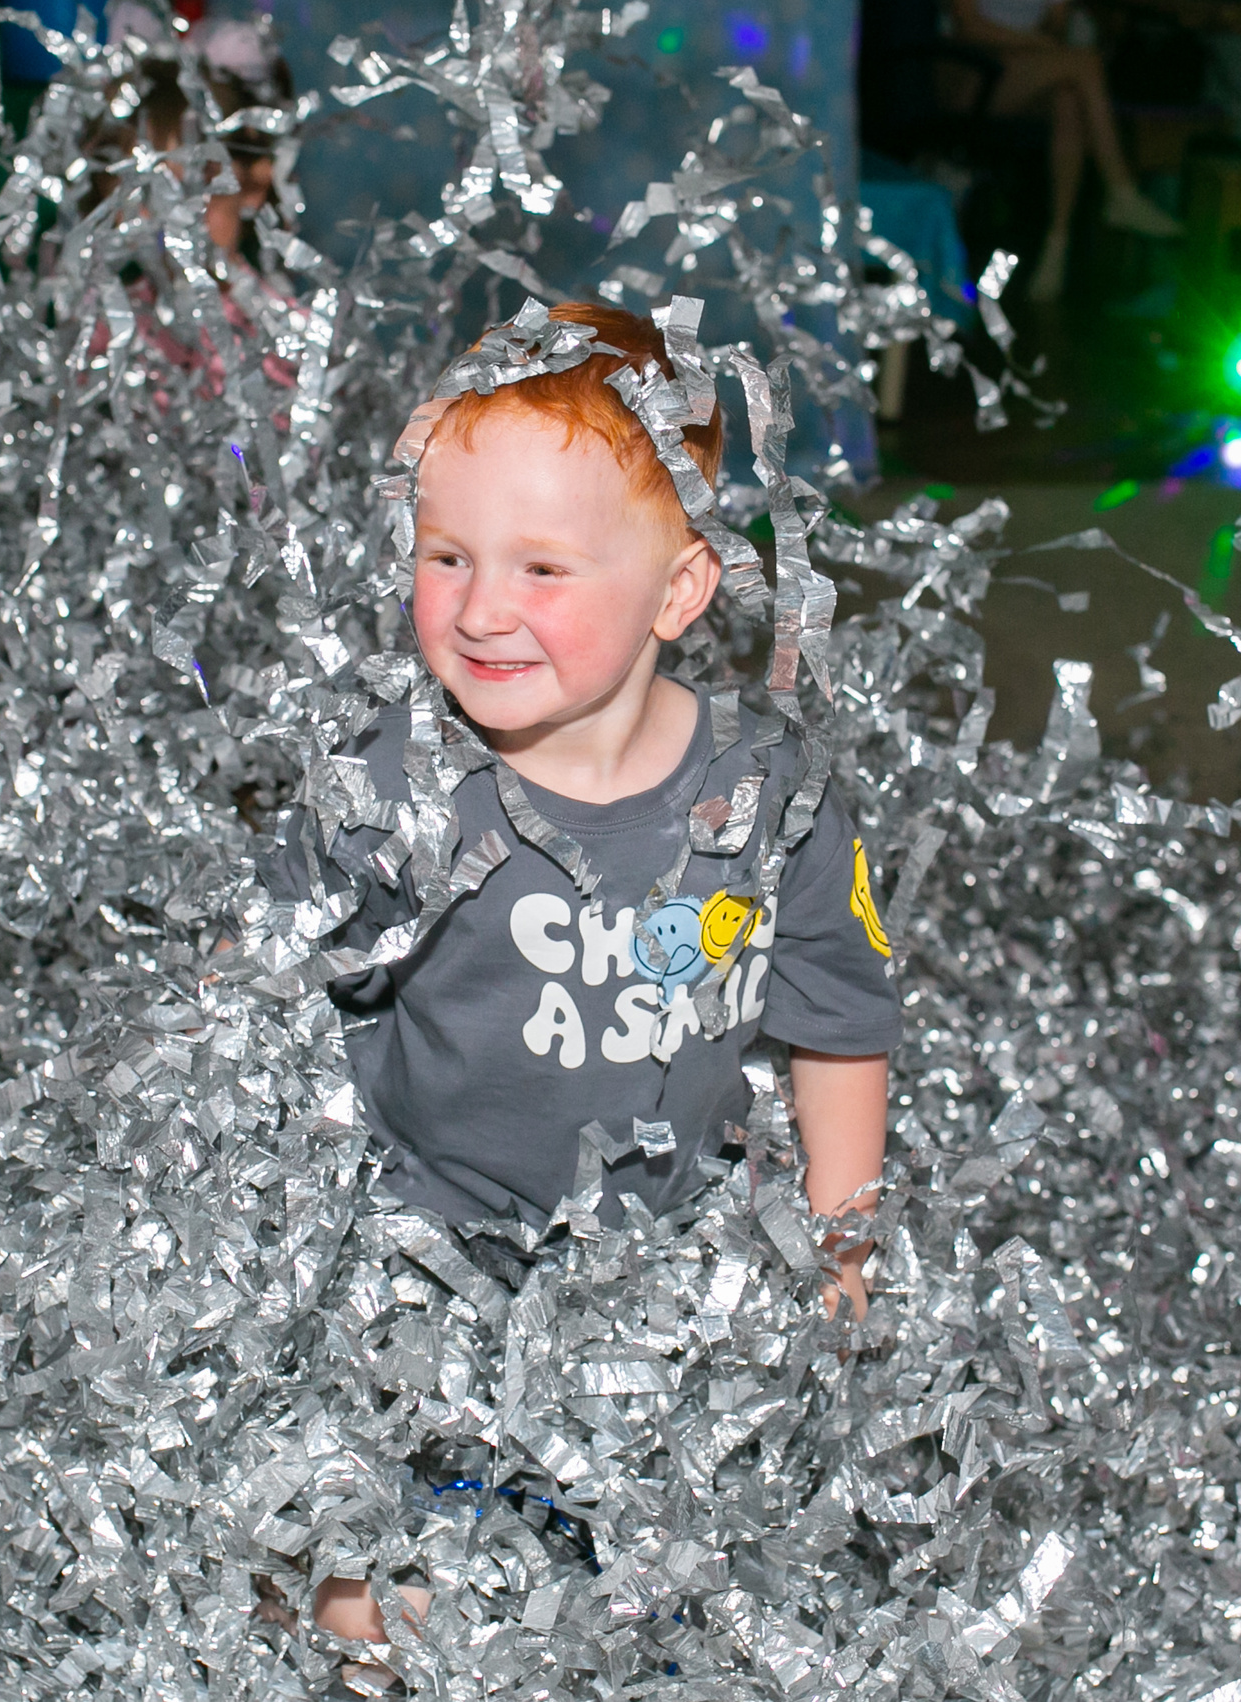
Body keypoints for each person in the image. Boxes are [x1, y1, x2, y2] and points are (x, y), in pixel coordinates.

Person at [263, 301, 900, 1654]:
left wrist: (844, 1249)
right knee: (370, 1589)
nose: (481, 608)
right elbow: (246, 998)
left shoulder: (766, 794)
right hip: (416, 1265)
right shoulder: (388, 789)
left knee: (673, 1602)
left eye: (542, 568)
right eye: (446, 554)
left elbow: (842, 1024)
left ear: (679, 590)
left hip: (659, 1271)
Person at [948, 0, 1185, 302]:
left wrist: (1045, 34)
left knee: (1069, 99)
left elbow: (1056, 35)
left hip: (1026, 74)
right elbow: (967, 27)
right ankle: (1122, 193)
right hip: (968, 71)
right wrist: (1033, 41)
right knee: (1086, 63)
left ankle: (1055, 250)